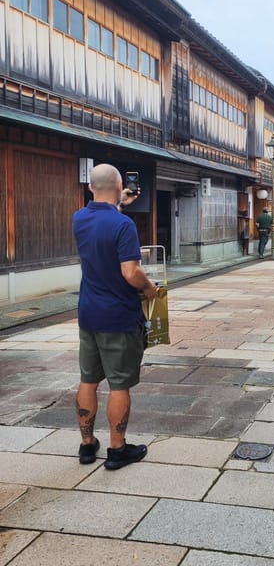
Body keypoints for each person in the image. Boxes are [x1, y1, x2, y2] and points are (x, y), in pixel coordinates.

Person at [73, 163, 157, 470]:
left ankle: (86, 445)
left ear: (90, 187)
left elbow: (101, 216)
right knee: (119, 385)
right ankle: (117, 449)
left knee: (88, 380)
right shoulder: (124, 226)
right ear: (121, 183)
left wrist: (118, 201)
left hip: (88, 314)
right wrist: (149, 288)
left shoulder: (79, 218)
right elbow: (130, 271)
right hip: (118, 316)